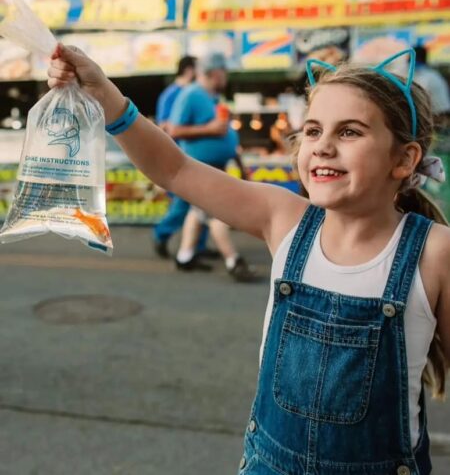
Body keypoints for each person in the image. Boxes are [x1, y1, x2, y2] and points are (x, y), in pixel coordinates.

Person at [48, 44, 449, 474]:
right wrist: (104, 93)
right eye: (312, 131)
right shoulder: (285, 219)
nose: (323, 147)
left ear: (404, 159)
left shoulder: (434, 252)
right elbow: (174, 169)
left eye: (349, 132)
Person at [167, 53, 255, 281]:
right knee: (217, 213)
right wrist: (211, 129)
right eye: (224, 72)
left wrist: (238, 162)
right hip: (199, 168)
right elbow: (174, 130)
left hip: (216, 167)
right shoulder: (190, 95)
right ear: (214, 73)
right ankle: (233, 260)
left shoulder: (214, 98)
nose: (226, 77)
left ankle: (185, 256)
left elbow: (225, 133)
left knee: (198, 213)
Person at [152, 54, 210, 259]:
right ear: (189, 70)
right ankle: (161, 234)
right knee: (183, 202)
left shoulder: (196, 92)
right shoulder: (172, 94)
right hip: (177, 159)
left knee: (203, 203)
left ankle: (197, 246)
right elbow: (164, 127)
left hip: (194, 157)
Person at [413, 45, 450, 123]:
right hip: (435, 115)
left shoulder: (426, 76)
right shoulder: (428, 74)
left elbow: (419, 99)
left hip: (437, 117)